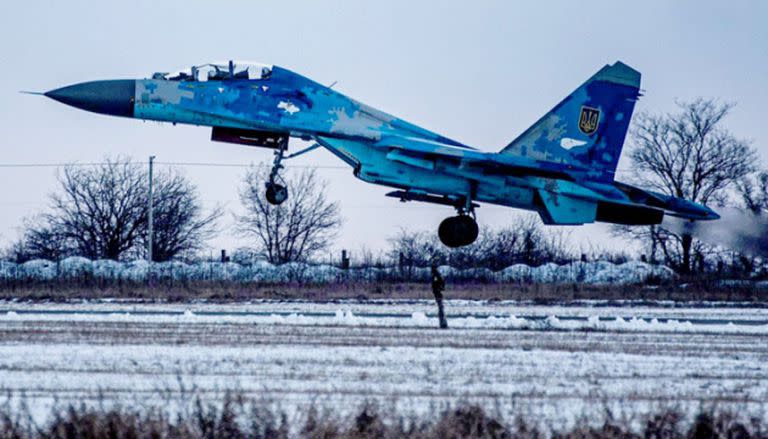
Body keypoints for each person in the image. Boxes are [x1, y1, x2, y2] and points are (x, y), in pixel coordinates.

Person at [431, 260, 448, 329]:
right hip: (438, 293)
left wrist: (439, 288)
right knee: (441, 308)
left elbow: (437, 284)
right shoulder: (436, 274)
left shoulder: (435, 274)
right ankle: (443, 323)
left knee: (441, 308)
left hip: (438, 293)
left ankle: (443, 323)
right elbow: (438, 283)